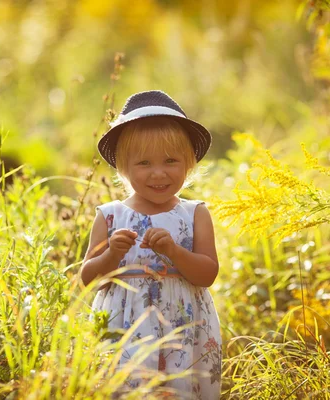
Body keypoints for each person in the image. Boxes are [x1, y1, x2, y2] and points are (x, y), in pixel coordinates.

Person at [79, 90, 222, 399]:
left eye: (171, 161)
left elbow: (207, 274)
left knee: (182, 388)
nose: (159, 173)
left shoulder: (194, 213)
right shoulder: (111, 217)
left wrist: (174, 251)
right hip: (126, 326)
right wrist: (111, 255)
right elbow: (88, 279)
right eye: (144, 163)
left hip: (183, 325)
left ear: (189, 163)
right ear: (123, 168)